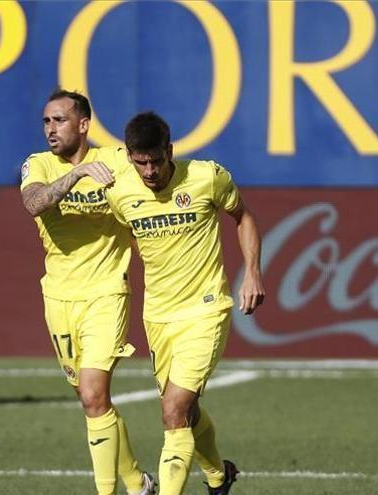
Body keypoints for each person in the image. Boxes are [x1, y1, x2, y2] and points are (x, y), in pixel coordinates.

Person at [104, 111, 265, 494]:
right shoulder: (120, 192)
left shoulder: (206, 177)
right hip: (158, 315)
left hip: (206, 309)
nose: (149, 171)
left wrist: (253, 272)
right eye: (140, 162)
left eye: (156, 160)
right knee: (186, 412)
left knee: (173, 410)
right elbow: (125, 238)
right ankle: (218, 476)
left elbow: (242, 217)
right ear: (129, 156)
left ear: (170, 151)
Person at [20, 89, 156, 495]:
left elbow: (153, 177)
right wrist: (77, 174)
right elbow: (33, 204)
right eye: (46, 121)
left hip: (106, 293)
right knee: (90, 399)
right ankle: (138, 482)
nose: (50, 129)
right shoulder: (39, 164)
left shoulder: (116, 161)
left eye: (59, 120)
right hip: (59, 298)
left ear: (83, 125)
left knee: (95, 394)